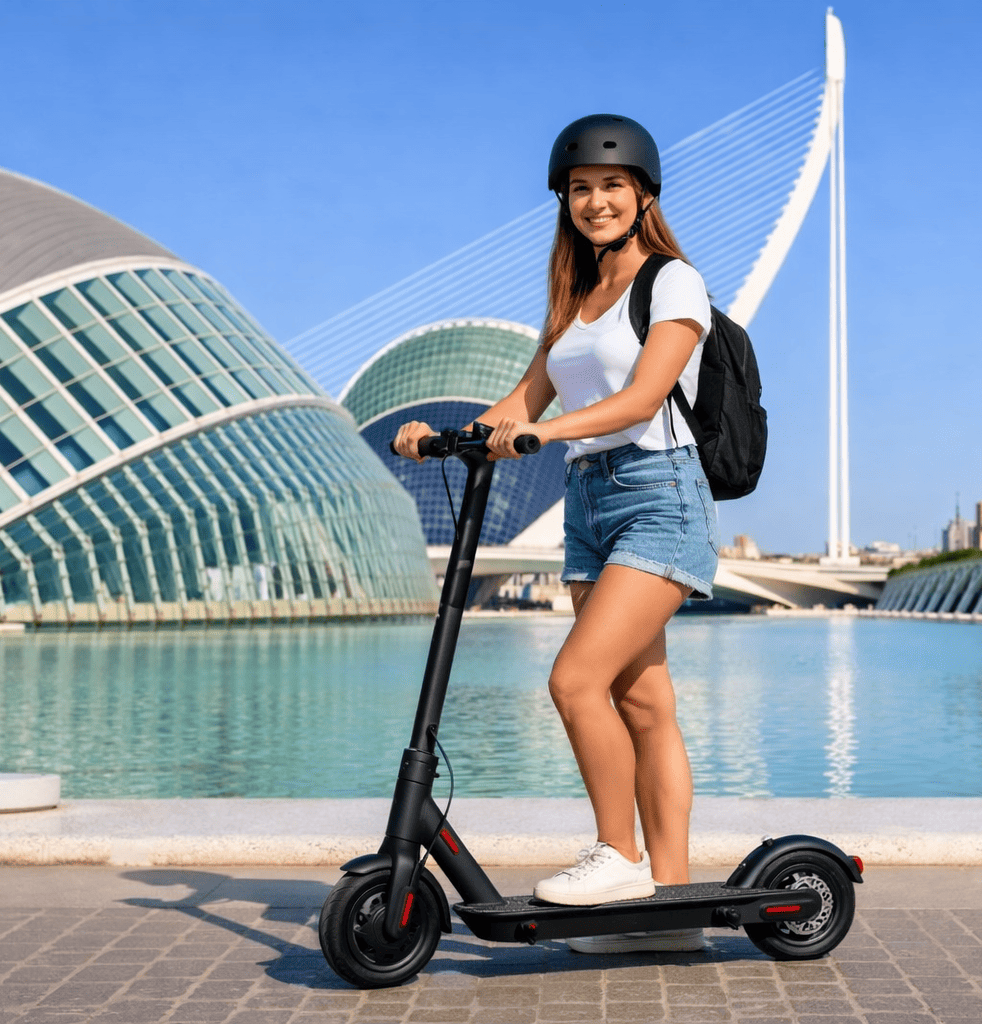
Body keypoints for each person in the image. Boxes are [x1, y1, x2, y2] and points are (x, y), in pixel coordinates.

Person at [392, 114, 717, 954]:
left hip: (658, 494)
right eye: (581, 189)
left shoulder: (673, 282)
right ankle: (669, 911)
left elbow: (645, 399)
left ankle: (618, 856)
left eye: (613, 186)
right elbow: (520, 405)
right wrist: (438, 433)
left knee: (576, 682)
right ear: (565, 201)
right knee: (642, 701)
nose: (596, 201)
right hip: (588, 505)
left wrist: (551, 434)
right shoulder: (575, 303)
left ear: (643, 195)